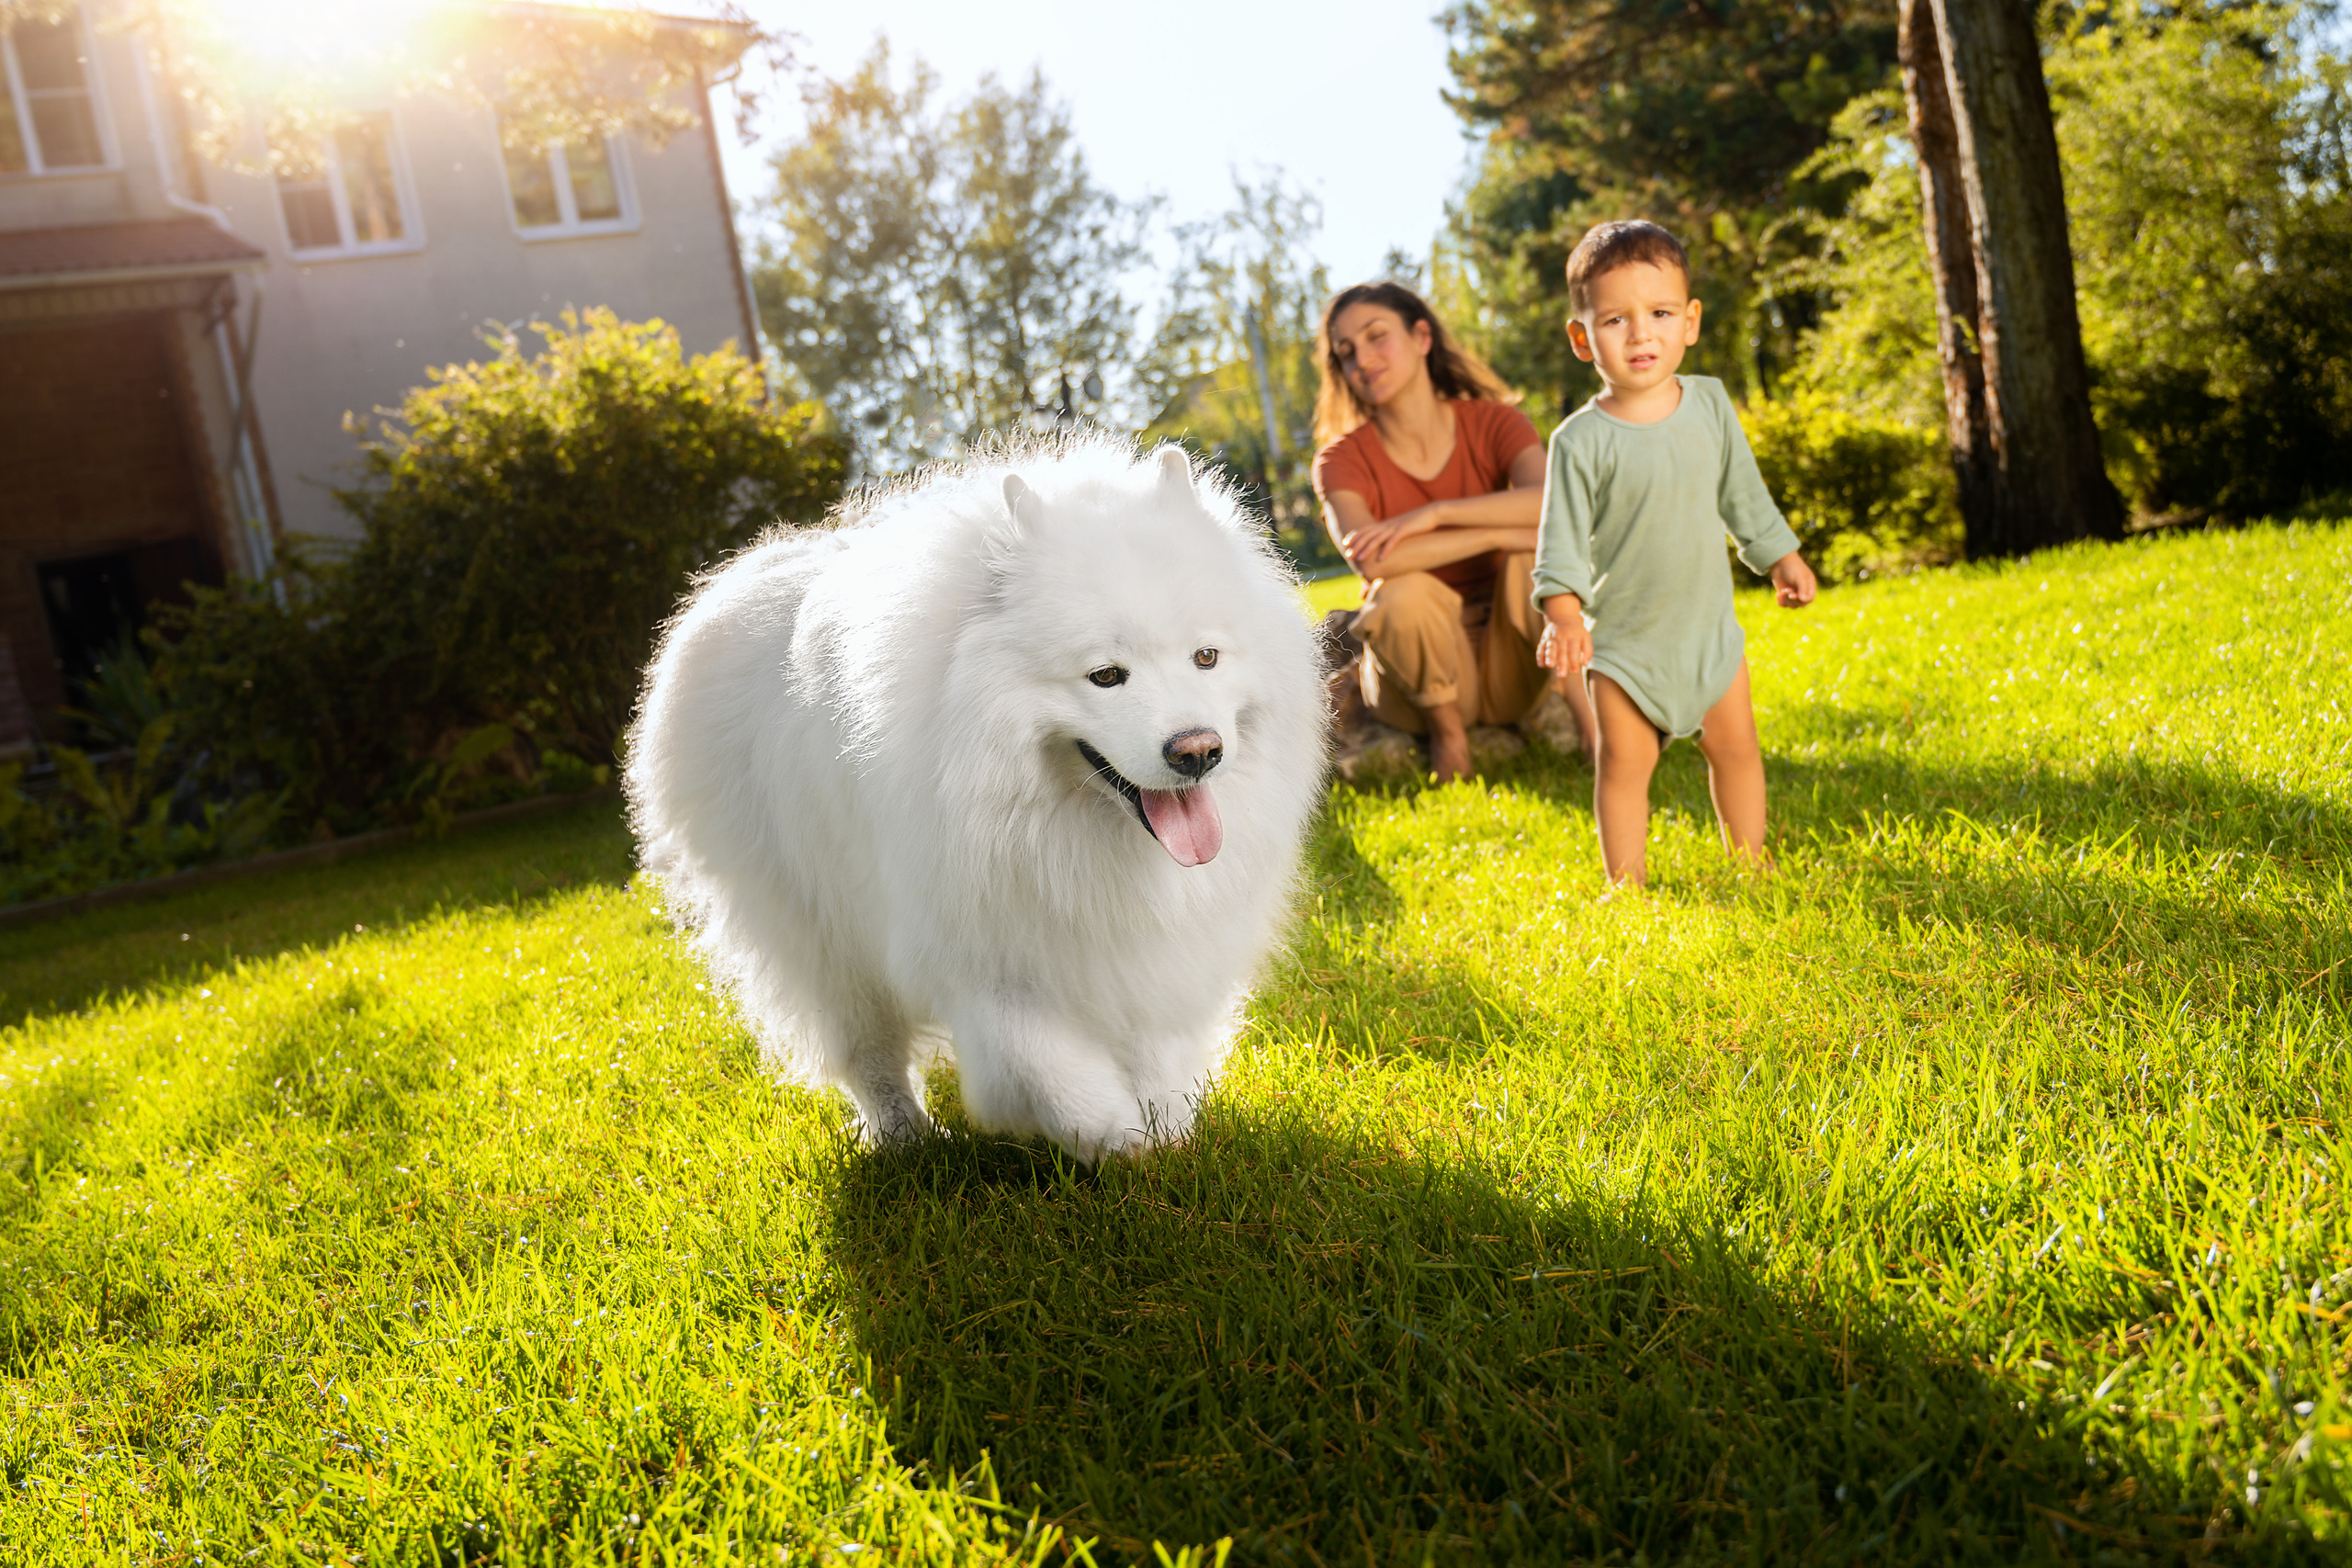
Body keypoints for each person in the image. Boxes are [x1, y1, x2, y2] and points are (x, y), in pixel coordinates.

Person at [1532, 220, 1818, 886]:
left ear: (1689, 321)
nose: (1641, 334)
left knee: (1738, 750)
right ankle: (1625, 884)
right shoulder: (1579, 442)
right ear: (1582, 338)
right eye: (1615, 319)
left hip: (1709, 636)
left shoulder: (1711, 404)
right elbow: (1561, 544)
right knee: (1625, 769)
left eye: (1660, 313)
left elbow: (1744, 493)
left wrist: (1781, 556)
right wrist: (1565, 616)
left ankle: (1752, 860)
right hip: (1628, 648)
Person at [1311, 282, 1598, 784]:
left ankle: (1592, 731)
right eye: (1346, 352)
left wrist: (1439, 514)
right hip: (1413, 690)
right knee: (1400, 591)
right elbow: (1373, 562)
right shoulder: (1340, 461)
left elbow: (1559, 508)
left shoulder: (1496, 423)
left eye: (1378, 337)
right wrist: (1498, 532)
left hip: (1514, 661)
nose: (1363, 359)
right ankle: (1449, 740)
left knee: (1534, 563)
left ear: (1422, 336)